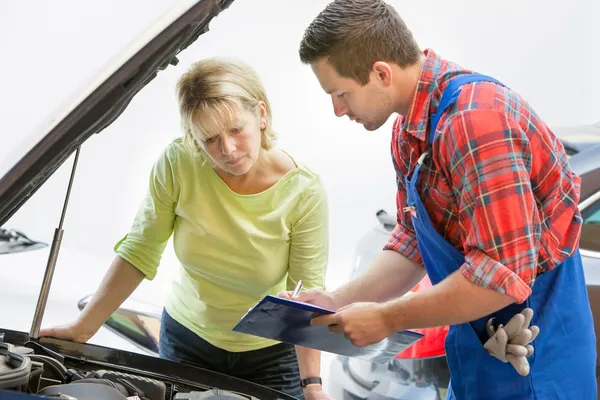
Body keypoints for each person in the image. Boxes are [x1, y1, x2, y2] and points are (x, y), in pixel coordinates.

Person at [283, 0, 597, 398]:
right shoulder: (408, 133)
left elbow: (502, 277)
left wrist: (387, 318)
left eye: (342, 93)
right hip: (474, 354)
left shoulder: (476, 123)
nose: (338, 109)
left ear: (381, 72)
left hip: (539, 360)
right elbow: (413, 241)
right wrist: (337, 300)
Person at [40, 57, 332, 400]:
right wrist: (83, 328)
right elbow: (140, 250)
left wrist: (312, 386)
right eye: (209, 138)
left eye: (236, 129)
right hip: (187, 341)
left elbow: (305, 296)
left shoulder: (303, 191)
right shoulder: (179, 163)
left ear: (262, 115)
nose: (227, 149)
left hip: (271, 356)